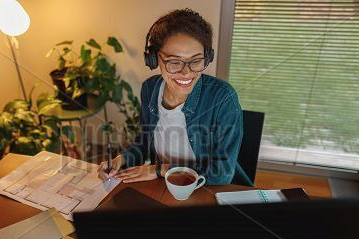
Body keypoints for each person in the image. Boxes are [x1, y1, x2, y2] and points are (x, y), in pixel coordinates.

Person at [98, 8, 250, 185]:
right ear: (154, 59)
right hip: (167, 187)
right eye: (174, 62)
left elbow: (222, 174)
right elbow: (144, 143)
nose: (186, 72)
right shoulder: (150, 89)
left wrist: (161, 169)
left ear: (207, 58)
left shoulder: (222, 98)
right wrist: (121, 160)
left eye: (195, 61)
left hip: (208, 192)